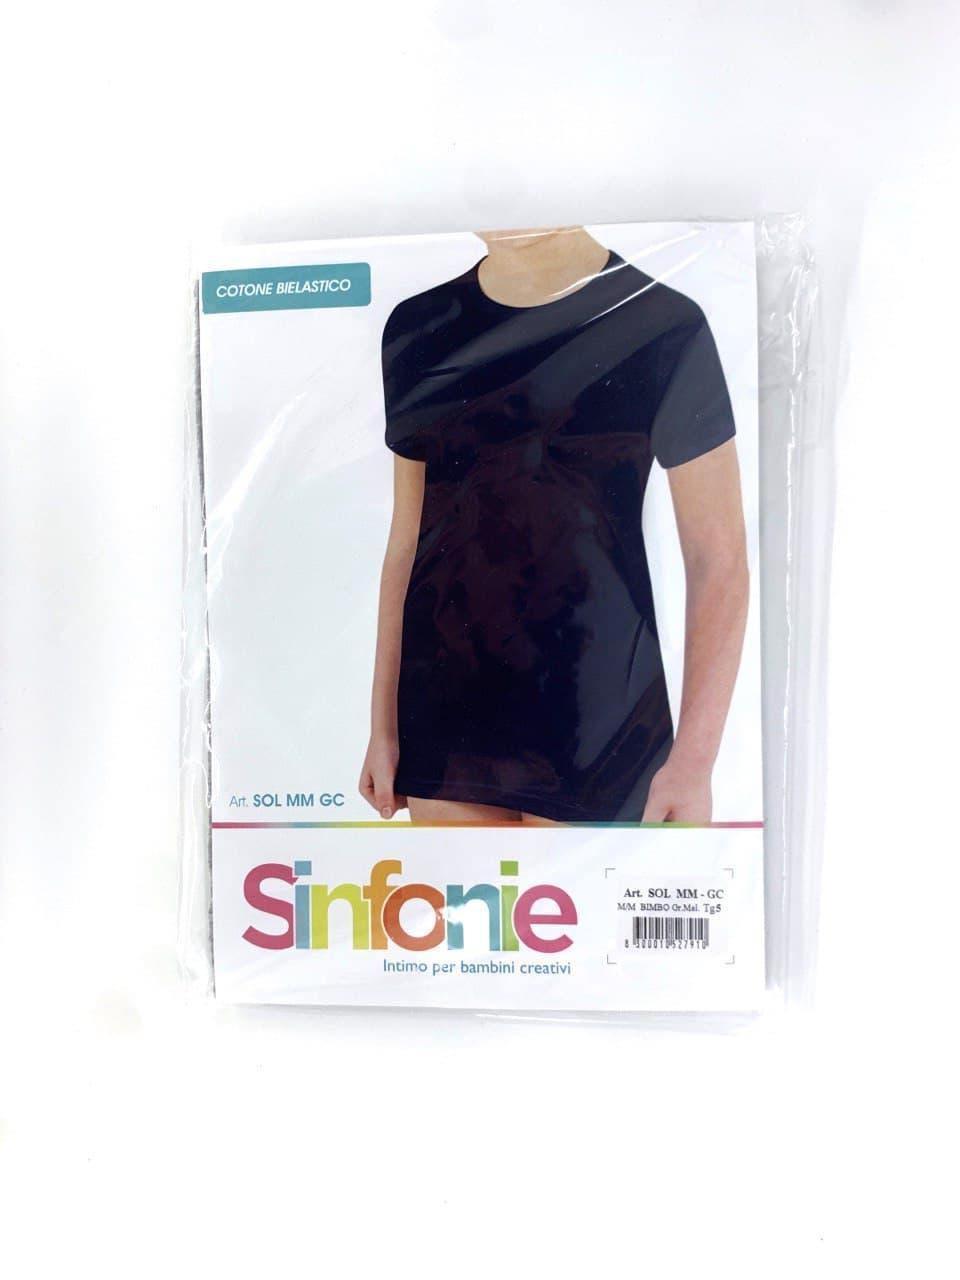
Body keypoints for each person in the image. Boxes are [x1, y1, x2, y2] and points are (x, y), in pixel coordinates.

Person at [359, 226, 748, 825]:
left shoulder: (665, 323)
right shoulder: (419, 328)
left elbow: (717, 557)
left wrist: (695, 762)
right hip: (445, 714)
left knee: (584, 891)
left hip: (599, 719)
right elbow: (408, 540)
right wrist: (383, 727)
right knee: (465, 892)